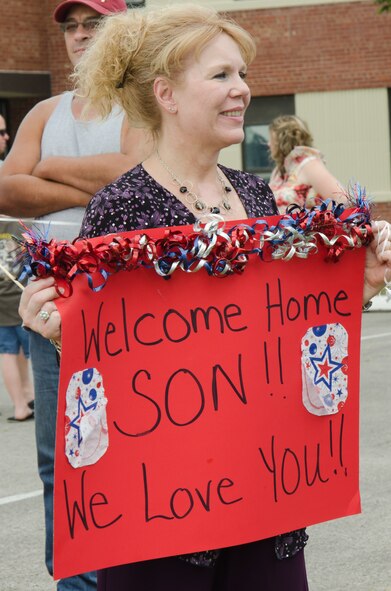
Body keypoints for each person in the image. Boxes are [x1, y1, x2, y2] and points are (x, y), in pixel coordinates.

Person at [18, 4, 391, 591]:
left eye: (242, 75)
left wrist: (358, 290)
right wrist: (54, 326)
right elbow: (103, 360)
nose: (242, 90)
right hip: (165, 513)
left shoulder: (256, 198)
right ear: (165, 93)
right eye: (221, 76)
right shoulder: (121, 209)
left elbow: (285, 334)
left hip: (263, 498)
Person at [0, 1, 151, 589]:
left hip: (130, 308)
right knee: (59, 458)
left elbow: (137, 181)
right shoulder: (45, 109)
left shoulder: (142, 100)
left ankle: (131, 574)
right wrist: (99, 176)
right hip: (50, 310)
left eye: (95, 25)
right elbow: (7, 192)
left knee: (129, 449)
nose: (81, 36)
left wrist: (50, 165)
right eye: (72, 27)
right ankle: (74, 579)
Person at [268, 115, 346, 213]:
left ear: (281, 141)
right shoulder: (278, 172)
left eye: (271, 139)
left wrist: (312, 218)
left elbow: (342, 200)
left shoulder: (309, 164)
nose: (268, 144)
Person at [0, 217, 35, 421]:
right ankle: (24, 403)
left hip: (1, 299)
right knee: (28, 350)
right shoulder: (21, 221)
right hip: (21, 294)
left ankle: (23, 399)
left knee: (8, 351)